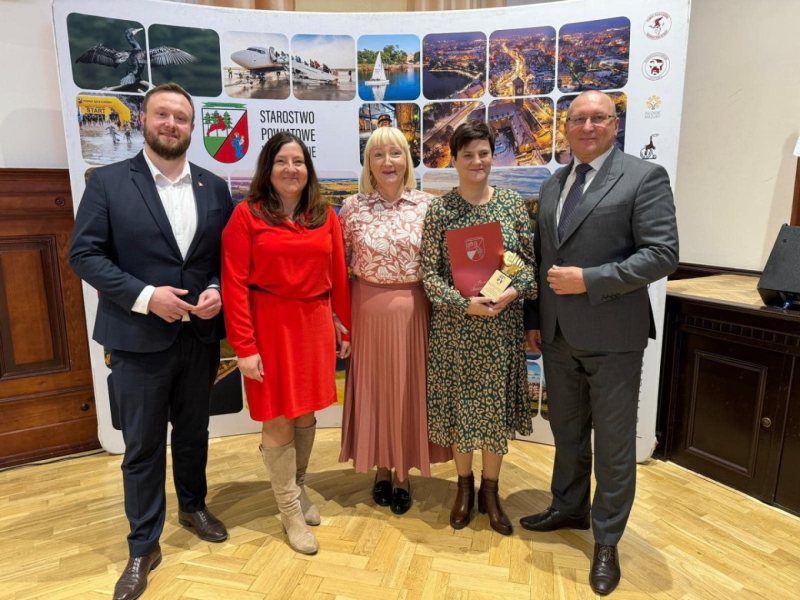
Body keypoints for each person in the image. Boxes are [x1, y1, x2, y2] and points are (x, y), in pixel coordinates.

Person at [69, 82, 232, 600]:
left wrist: (215, 289)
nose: (171, 124)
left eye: (181, 118)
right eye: (162, 114)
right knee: (141, 447)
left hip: (198, 338)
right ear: (143, 119)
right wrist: (145, 297)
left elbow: (222, 260)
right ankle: (143, 545)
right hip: (137, 337)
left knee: (193, 433)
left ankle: (193, 506)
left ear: (192, 128)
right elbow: (84, 255)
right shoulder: (108, 182)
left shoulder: (214, 186)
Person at [521, 90, 679, 595]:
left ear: (615, 124)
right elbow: (541, 257)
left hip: (614, 337)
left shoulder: (643, 177)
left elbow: (663, 254)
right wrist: (533, 319)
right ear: (566, 127)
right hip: (557, 336)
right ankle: (569, 508)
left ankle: (607, 540)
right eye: (578, 119)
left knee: (613, 445)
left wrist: (590, 279)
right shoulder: (553, 183)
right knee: (567, 432)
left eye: (598, 118)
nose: (587, 127)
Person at [221, 132, 351, 555]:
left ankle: (298, 486)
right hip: (269, 326)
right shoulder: (247, 215)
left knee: (306, 412)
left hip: (314, 324)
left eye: (298, 161)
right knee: (277, 419)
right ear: (268, 168)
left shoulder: (324, 215)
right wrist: (244, 347)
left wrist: (344, 327)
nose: (291, 169)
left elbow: (339, 276)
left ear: (308, 169)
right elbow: (233, 284)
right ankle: (289, 511)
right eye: (282, 161)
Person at [421, 120, 536, 536]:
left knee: (493, 413)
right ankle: (464, 487)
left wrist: (513, 292)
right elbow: (429, 275)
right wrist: (462, 303)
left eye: (483, 153)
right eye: (467, 154)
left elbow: (528, 266)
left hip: (500, 330)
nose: (476, 161)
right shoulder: (440, 211)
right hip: (456, 330)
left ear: (493, 156)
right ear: (453, 160)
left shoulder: (512, 205)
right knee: (461, 412)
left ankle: (491, 491)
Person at [338, 127, 451, 515]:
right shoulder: (352, 208)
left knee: (406, 392)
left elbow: (443, 264)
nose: (388, 162)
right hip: (366, 311)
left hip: (414, 310)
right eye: (378, 155)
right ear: (368, 164)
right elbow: (339, 265)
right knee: (375, 391)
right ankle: (381, 468)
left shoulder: (428, 206)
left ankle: (403, 473)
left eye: (395, 153)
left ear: (407, 160)